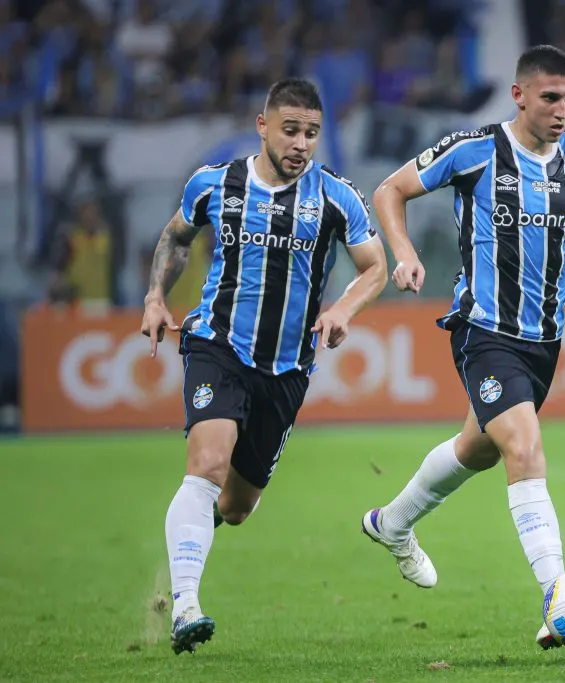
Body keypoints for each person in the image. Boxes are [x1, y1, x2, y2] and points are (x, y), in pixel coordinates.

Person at [362, 45, 565, 649]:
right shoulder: (473, 150)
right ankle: (558, 600)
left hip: (544, 340)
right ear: (519, 95)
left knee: (480, 448)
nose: (562, 109)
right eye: (550, 97)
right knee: (523, 445)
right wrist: (404, 254)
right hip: (486, 331)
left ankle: (392, 524)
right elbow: (389, 191)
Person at [140, 78, 387, 655]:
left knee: (237, 505)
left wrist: (343, 307)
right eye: (291, 131)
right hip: (217, 344)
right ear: (263, 126)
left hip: (287, 367)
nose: (302, 144)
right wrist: (156, 298)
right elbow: (176, 237)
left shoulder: (335, 196)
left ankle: (193, 540)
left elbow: (374, 267)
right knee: (206, 464)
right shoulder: (216, 182)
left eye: (312, 134)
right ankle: (185, 607)